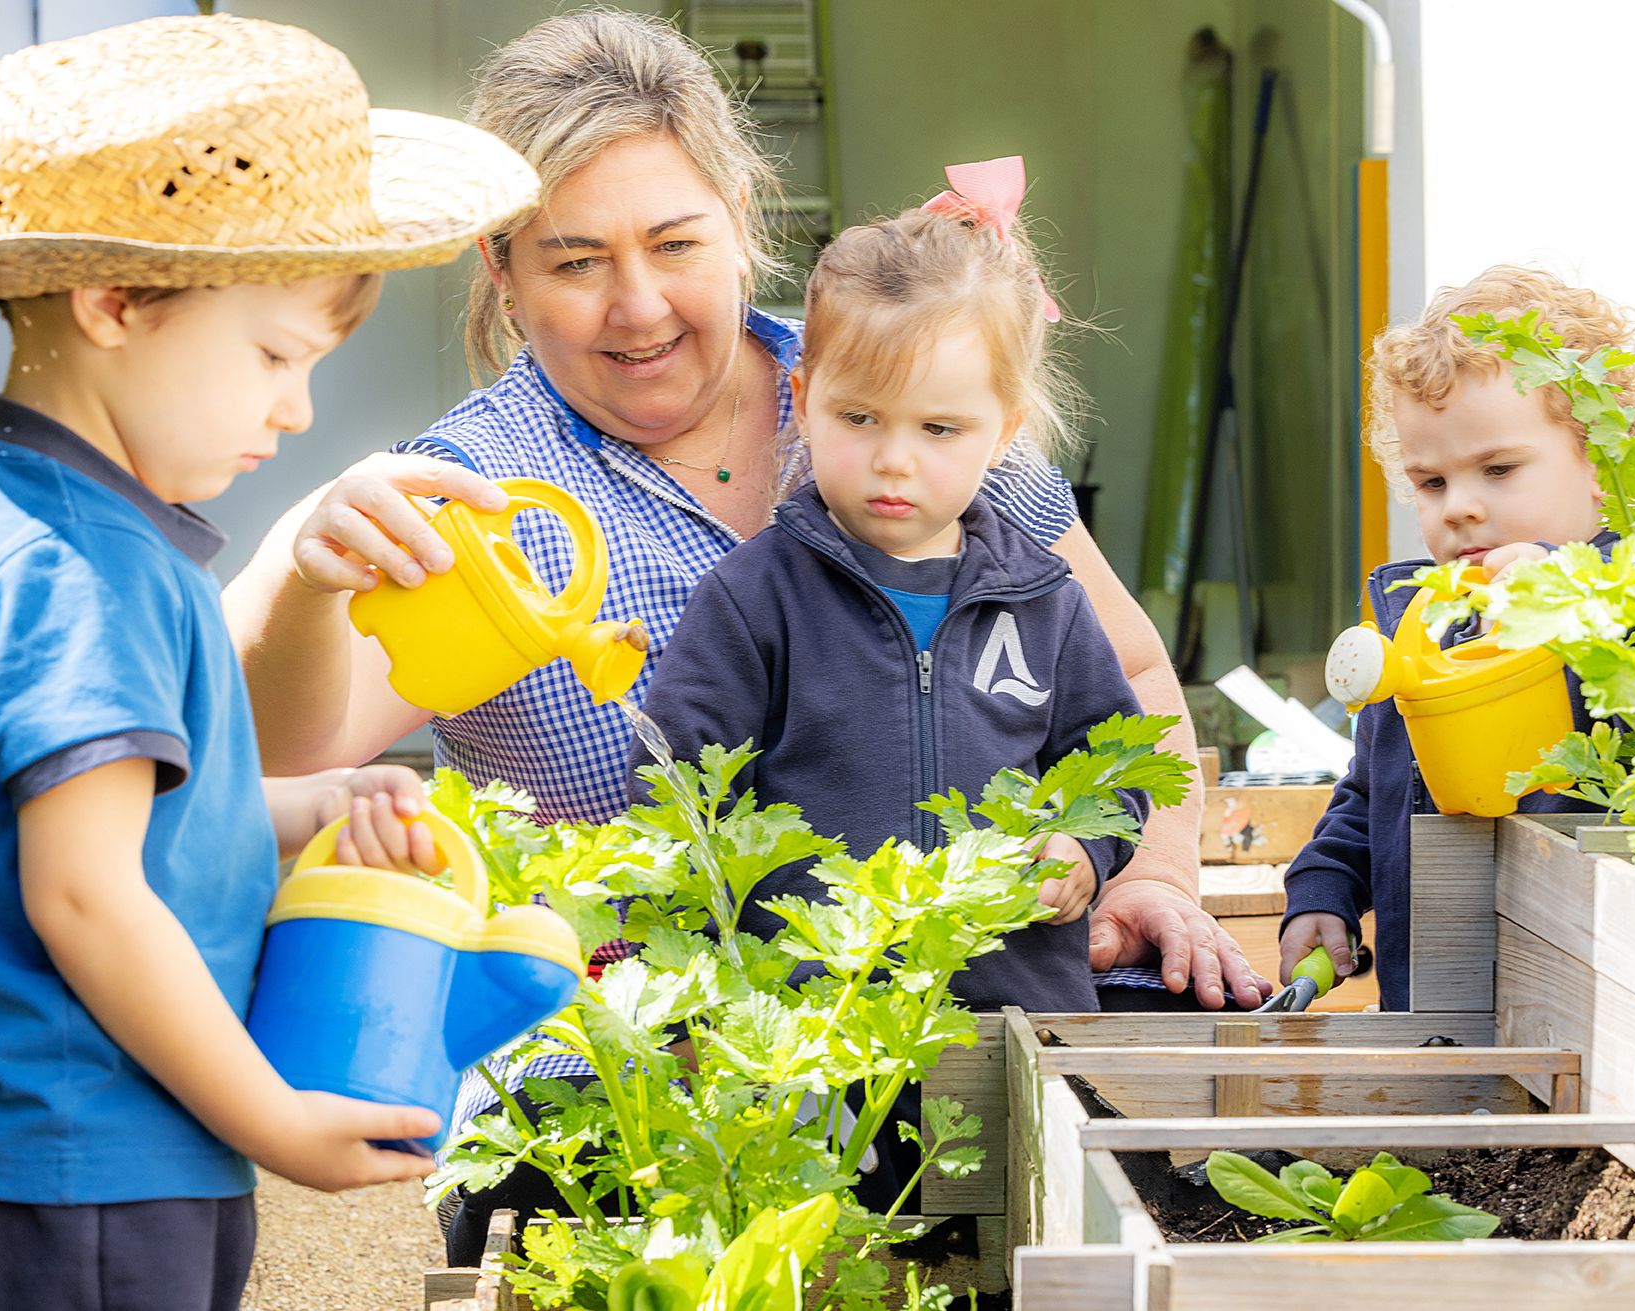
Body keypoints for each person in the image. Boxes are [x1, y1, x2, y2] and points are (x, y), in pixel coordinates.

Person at [224, 9, 1264, 1015]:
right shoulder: (479, 498)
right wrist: (301, 578)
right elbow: (282, 750)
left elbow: (1122, 676)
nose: (637, 306)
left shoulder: (903, 395)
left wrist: (1154, 874)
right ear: (501, 271)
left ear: (740, 216)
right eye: (575, 261)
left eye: (674, 244)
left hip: (977, 1021)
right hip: (632, 1078)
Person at [0, 16, 540, 1309]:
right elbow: (87, 894)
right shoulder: (90, 573)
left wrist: (312, 808)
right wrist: (274, 1116)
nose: (295, 410)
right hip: (90, 1173)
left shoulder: (16, 512)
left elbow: (94, 825)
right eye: (276, 357)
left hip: (50, 1165)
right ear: (114, 303)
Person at [635, 160, 1151, 1011]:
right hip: (817, 1031)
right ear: (802, 400)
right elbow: (675, 796)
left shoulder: (1043, 597)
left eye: (940, 427)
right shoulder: (753, 598)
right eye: (859, 417)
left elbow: (1117, 760)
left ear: (1004, 433)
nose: (894, 458)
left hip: (1020, 1015)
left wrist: (1084, 848)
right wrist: (699, 990)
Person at [1278, 266, 1635, 1011]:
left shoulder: (1634, 601)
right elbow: (1372, 787)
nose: (1461, 509)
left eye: (1499, 469)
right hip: (1433, 1013)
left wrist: (1567, 584)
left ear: (1602, 462)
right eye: (1432, 483)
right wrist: (1325, 883)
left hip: (1585, 1013)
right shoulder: (1422, 625)